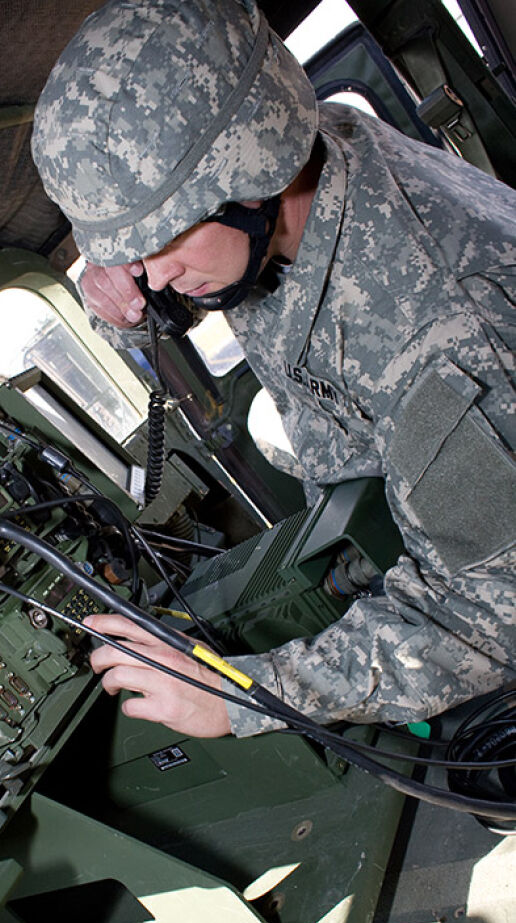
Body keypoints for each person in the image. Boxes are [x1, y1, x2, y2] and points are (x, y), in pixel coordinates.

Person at [31, 0, 516, 740]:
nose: (152, 275)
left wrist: (243, 697)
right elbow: (213, 272)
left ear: (250, 176)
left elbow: (490, 610)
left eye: (157, 242)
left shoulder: (441, 325)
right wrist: (120, 300)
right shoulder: (316, 156)